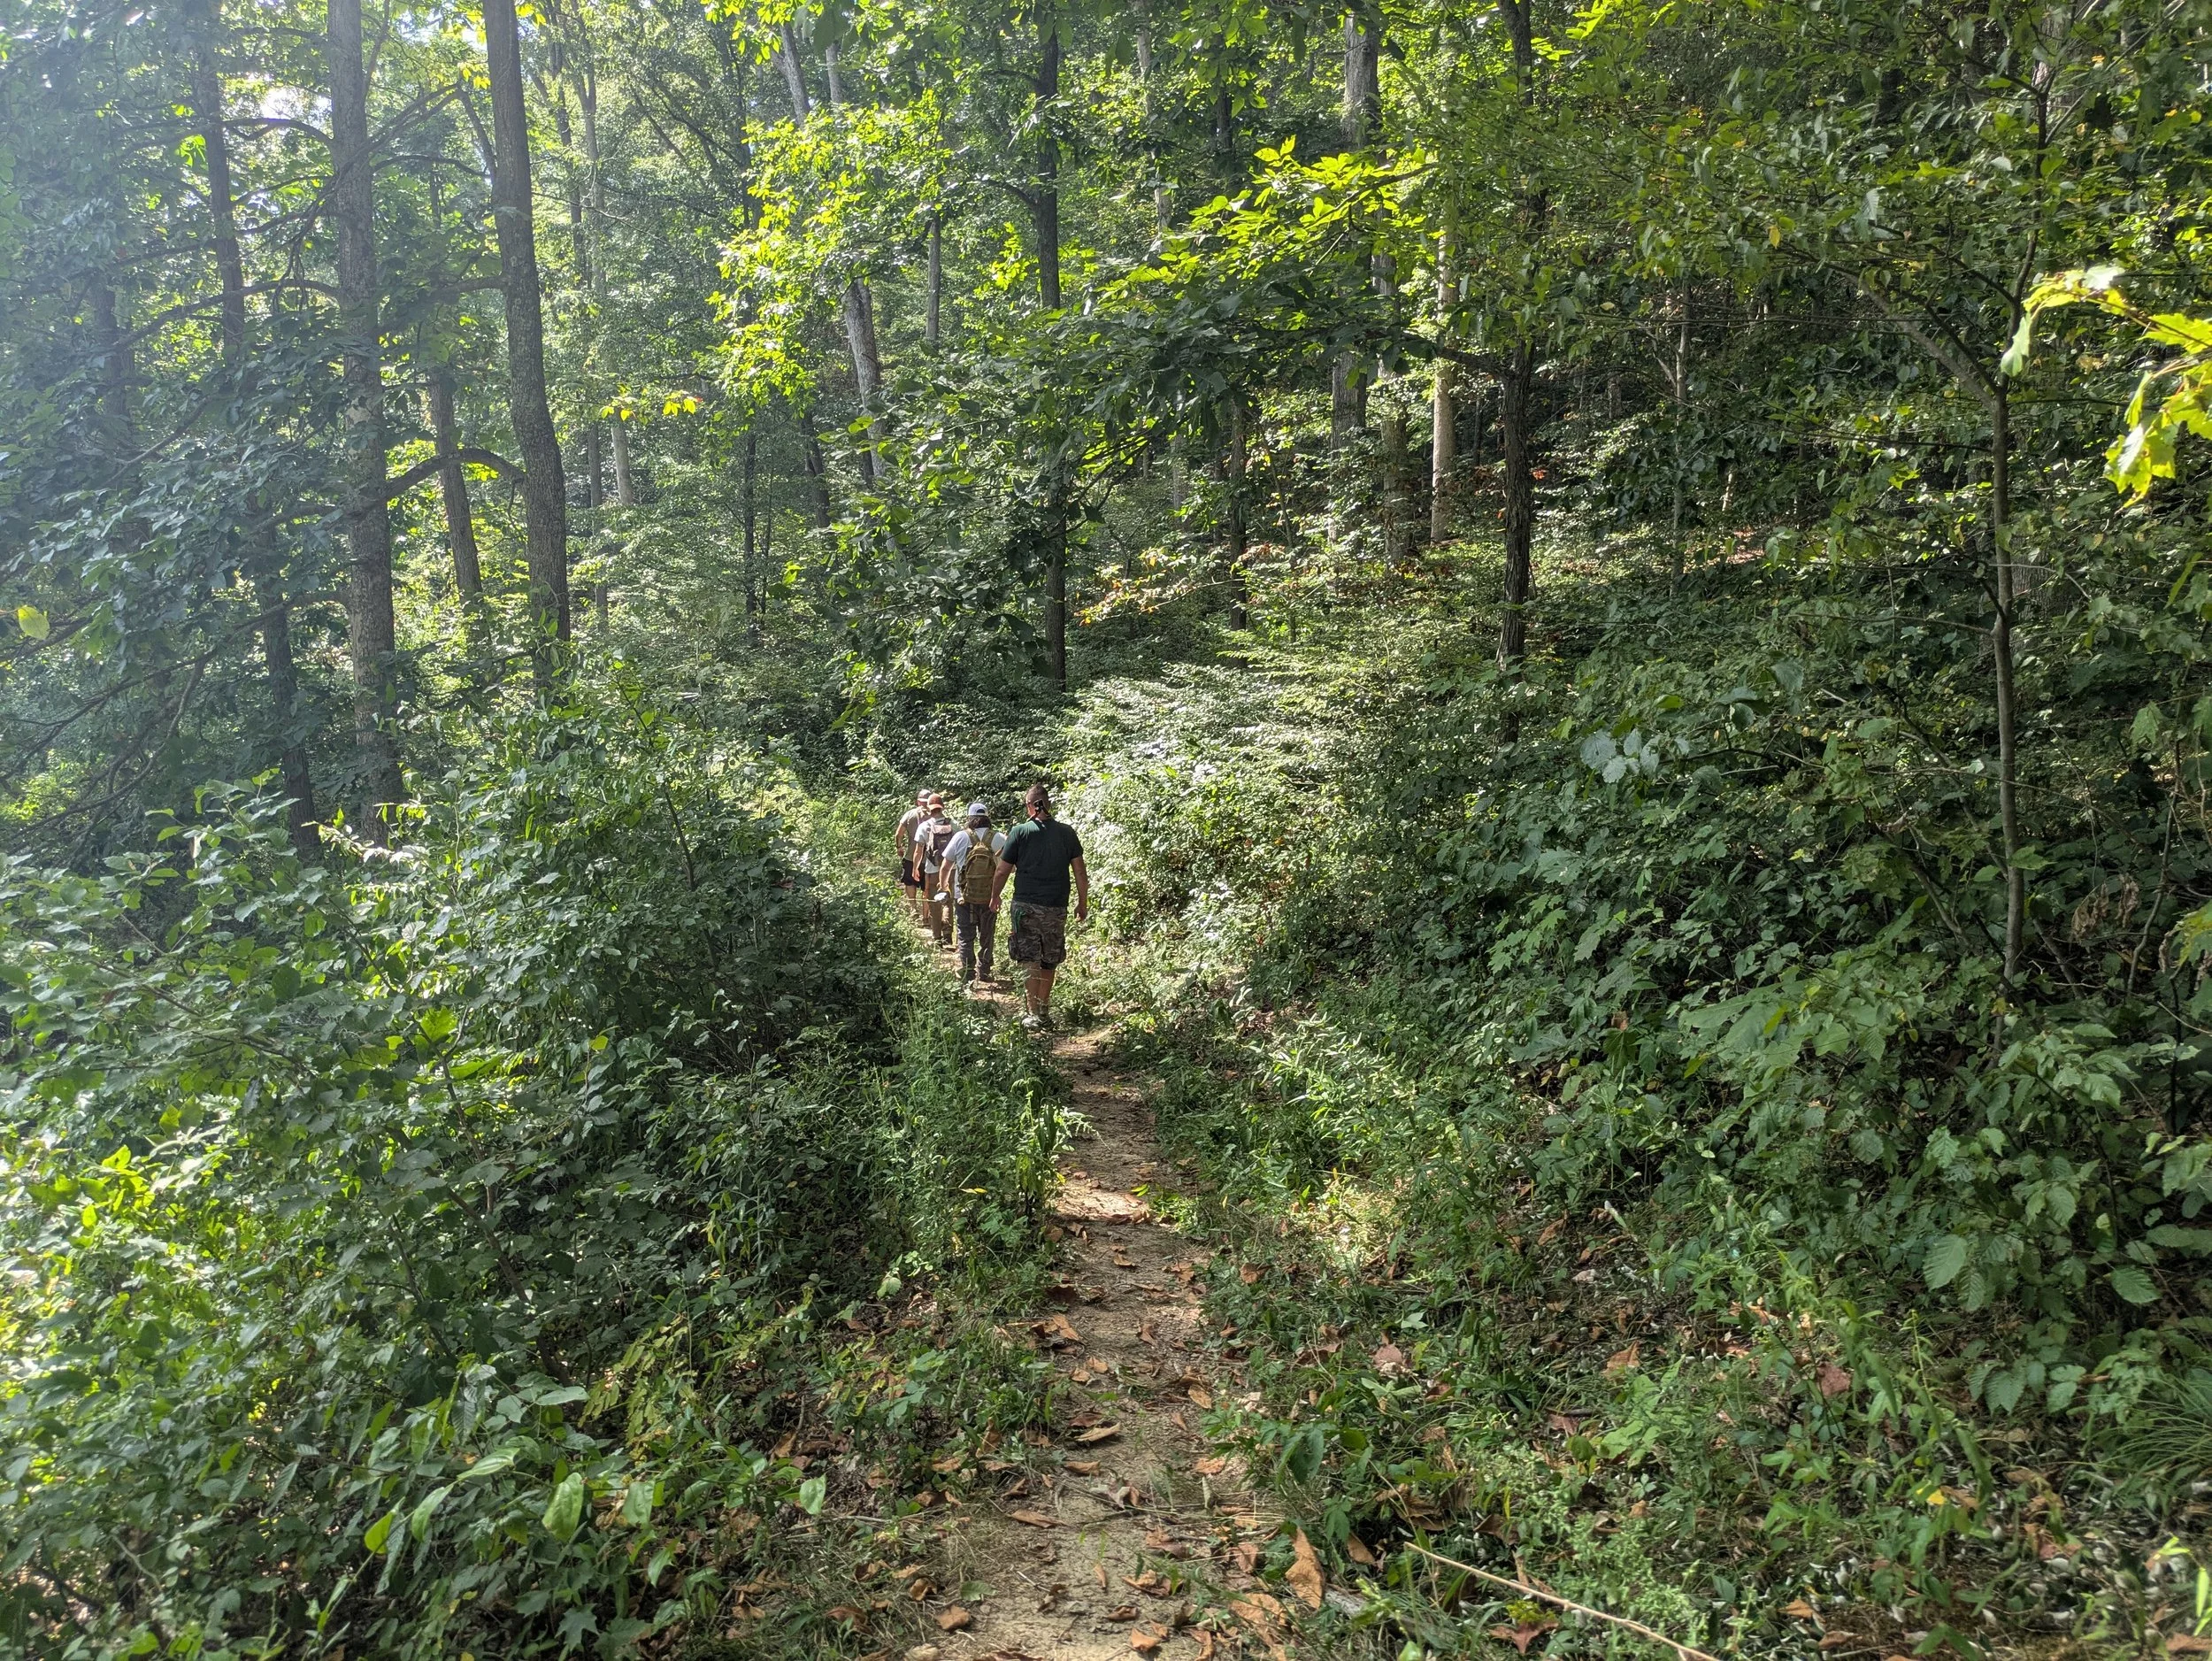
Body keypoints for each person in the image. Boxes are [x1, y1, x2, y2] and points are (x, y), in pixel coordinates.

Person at [990, 781, 1087, 1027]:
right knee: (1049, 958)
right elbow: (1080, 872)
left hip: (1026, 905)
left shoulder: (1020, 832)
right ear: (1048, 804)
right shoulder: (1067, 832)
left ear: (1030, 806)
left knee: (1029, 958)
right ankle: (1044, 1010)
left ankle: (1032, 1012)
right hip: (1057, 906)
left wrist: (995, 896)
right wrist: (1082, 903)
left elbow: (1002, 870)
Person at [942, 802, 1009, 985]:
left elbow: (946, 865)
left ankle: (968, 972)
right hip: (990, 896)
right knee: (987, 934)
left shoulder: (960, 837)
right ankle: (985, 971)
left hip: (962, 896)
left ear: (970, 819)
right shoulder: (999, 838)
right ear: (988, 818)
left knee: (965, 934)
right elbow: (1009, 869)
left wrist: (944, 887)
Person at [910, 793, 958, 946]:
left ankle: (937, 937)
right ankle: (948, 935)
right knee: (948, 901)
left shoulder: (925, 826)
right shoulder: (953, 824)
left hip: (932, 870)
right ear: (942, 807)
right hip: (951, 869)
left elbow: (919, 850)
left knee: (933, 902)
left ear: (929, 809)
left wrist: (915, 868)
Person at [893, 788, 932, 919]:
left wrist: (899, 847)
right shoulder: (936, 815)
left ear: (917, 802)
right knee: (927, 887)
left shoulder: (910, 814)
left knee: (910, 882)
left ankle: (913, 909)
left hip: (911, 856)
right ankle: (926, 916)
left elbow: (899, 834)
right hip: (930, 859)